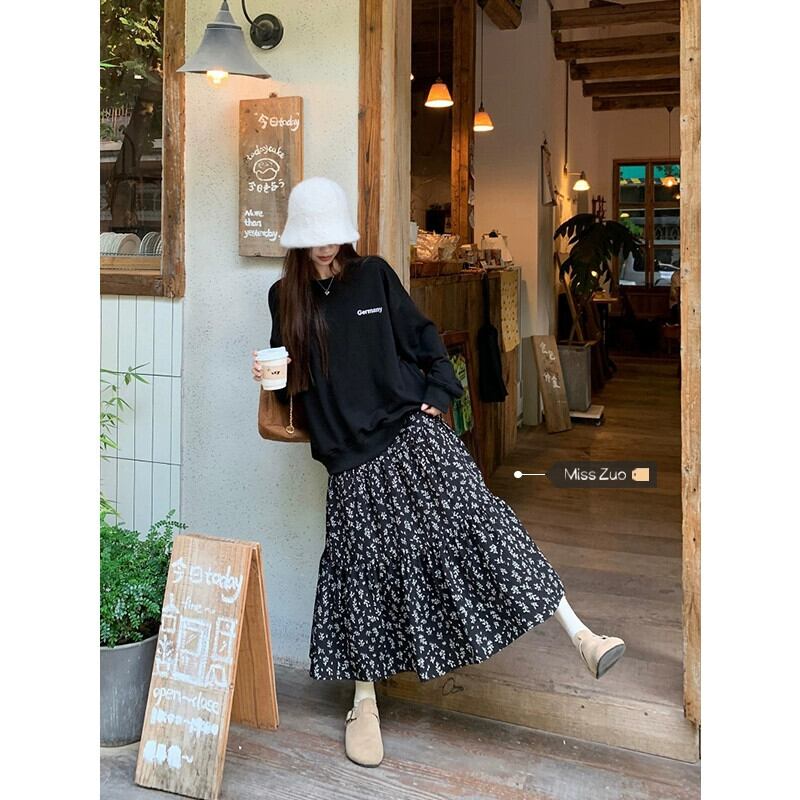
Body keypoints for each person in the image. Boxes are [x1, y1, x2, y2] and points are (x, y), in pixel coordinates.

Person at [251, 176, 626, 768]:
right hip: (351, 457)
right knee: (363, 573)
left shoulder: (374, 276)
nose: (325, 249)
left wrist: (437, 391)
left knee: (483, 523)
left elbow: (424, 338)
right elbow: (290, 386)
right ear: (298, 240)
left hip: (412, 433)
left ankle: (580, 634)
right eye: (314, 239)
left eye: (332, 237)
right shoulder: (284, 298)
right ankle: (364, 702)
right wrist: (267, 378)